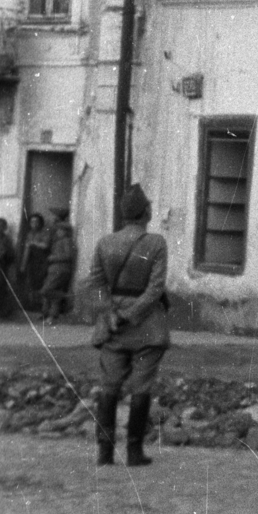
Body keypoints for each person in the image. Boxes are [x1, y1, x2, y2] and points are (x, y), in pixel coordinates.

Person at [88, 184, 169, 468]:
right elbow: (155, 288)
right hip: (147, 324)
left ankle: (104, 452)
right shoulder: (156, 243)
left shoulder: (105, 243)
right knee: (141, 387)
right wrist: (130, 313)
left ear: (124, 215)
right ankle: (134, 452)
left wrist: (111, 312)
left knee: (108, 387)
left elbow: (96, 283)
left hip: (113, 326)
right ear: (146, 212)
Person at [40, 207, 76, 323]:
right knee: (53, 293)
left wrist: (53, 258)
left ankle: (67, 296)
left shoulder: (66, 241)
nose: (57, 232)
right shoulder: (58, 241)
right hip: (55, 269)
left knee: (46, 291)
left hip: (60, 269)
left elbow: (68, 256)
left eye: (59, 230)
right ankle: (52, 316)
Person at [18, 213, 51, 311]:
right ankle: (32, 305)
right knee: (31, 284)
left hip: (42, 261)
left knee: (42, 283)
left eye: (37, 222)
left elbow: (46, 245)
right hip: (32, 262)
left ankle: (42, 307)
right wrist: (23, 264)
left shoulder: (45, 233)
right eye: (32, 222)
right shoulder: (29, 234)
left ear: (41, 223)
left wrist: (34, 243)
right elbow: (26, 250)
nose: (34, 224)